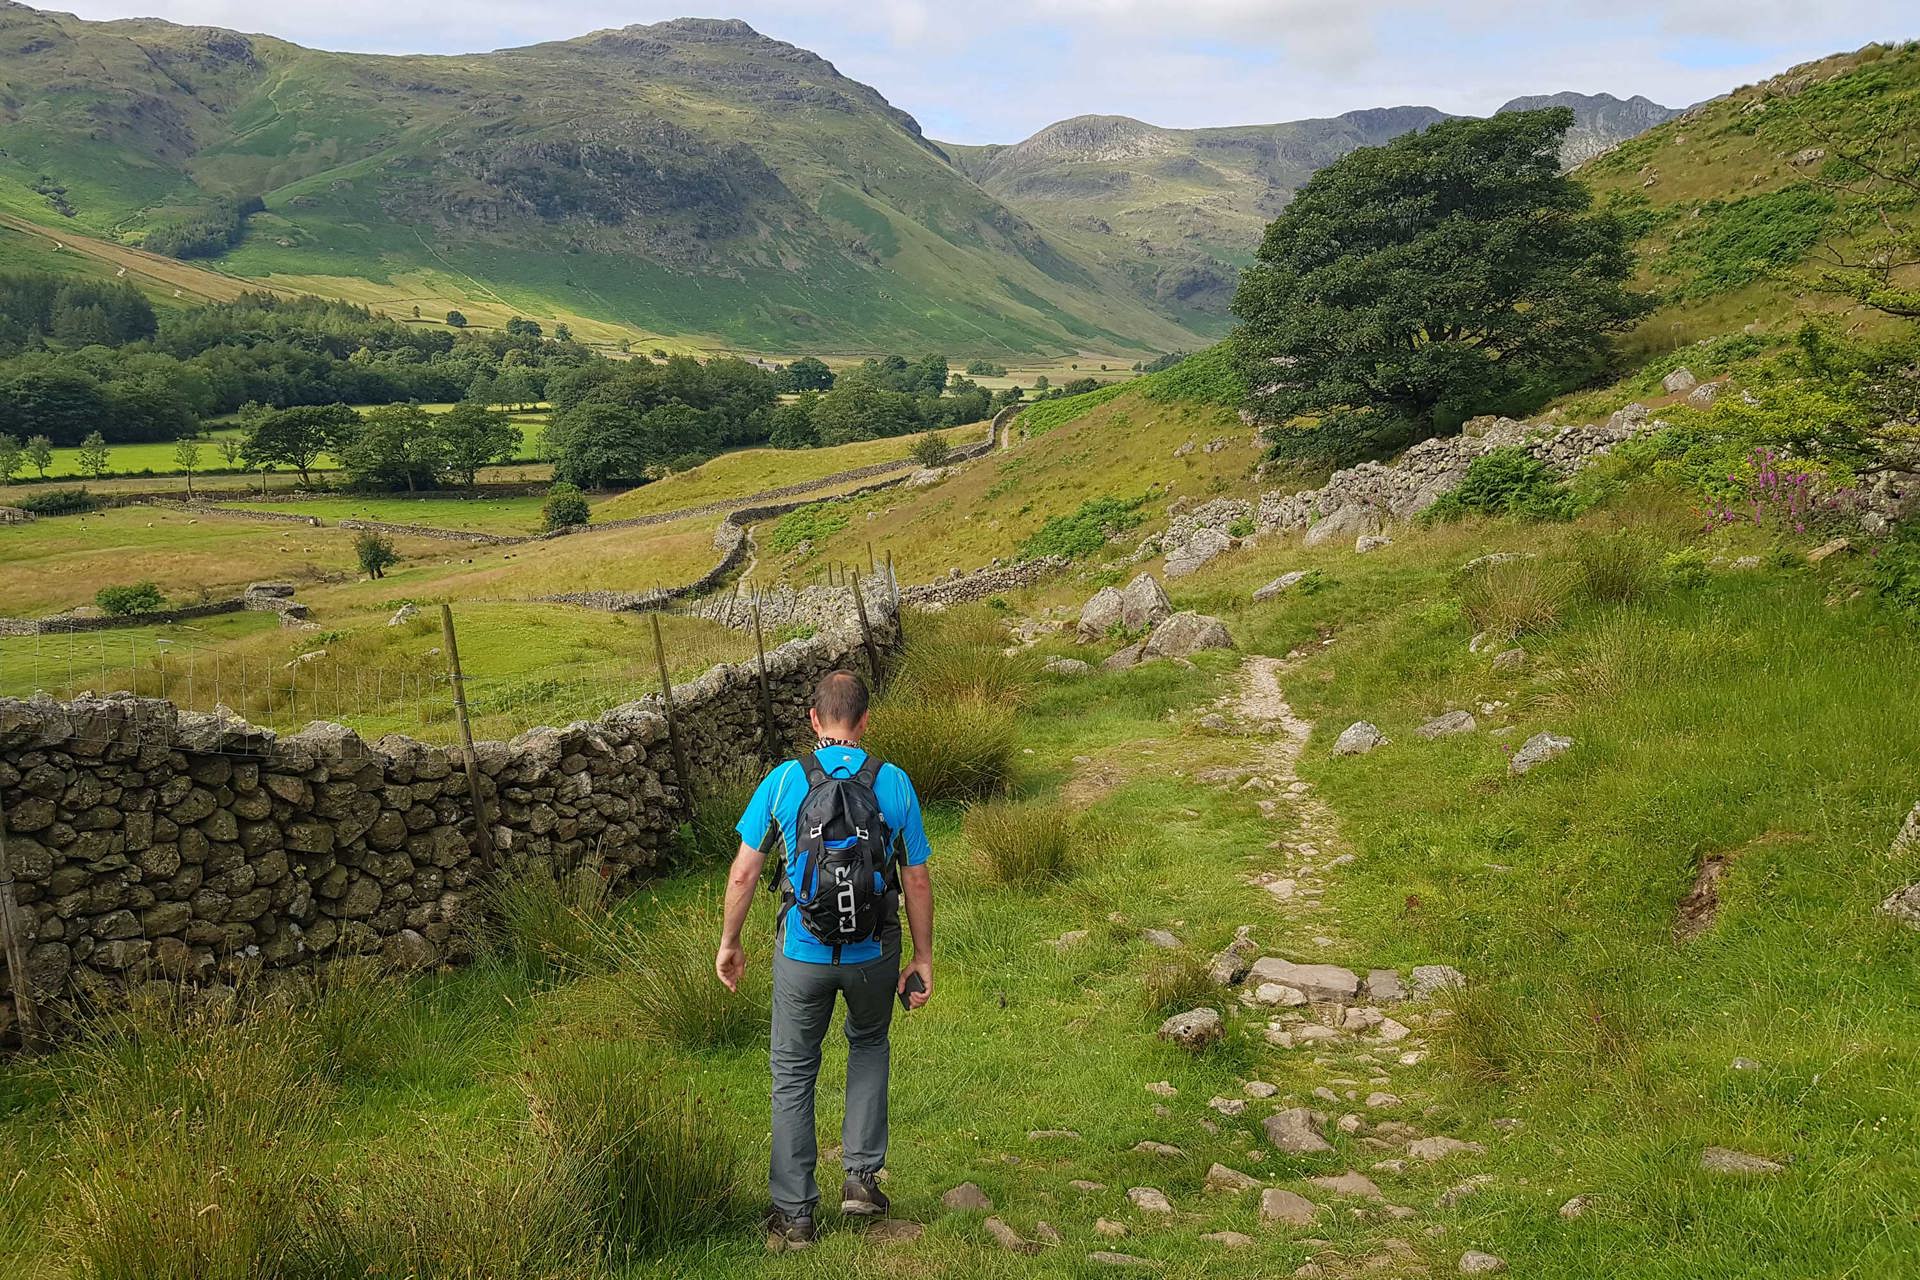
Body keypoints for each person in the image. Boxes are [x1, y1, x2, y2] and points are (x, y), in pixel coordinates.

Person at [715, 669, 934, 1249]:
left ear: (814, 721)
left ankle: (795, 1216)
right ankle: (861, 1180)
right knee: (867, 1044)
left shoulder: (785, 782)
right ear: (864, 721)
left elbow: (744, 871)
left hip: (801, 954)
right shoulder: (893, 784)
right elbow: (914, 878)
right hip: (873, 953)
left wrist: (730, 944)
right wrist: (923, 956)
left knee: (793, 1072)